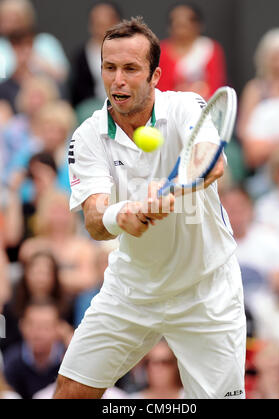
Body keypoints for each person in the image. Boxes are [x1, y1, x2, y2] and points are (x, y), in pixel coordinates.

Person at [53, 17, 246, 399]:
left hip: (206, 290)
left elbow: (213, 160)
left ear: (155, 75)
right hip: (132, 289)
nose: (118, 79)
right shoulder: (87, 134)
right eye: (110, 68)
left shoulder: (187, 106)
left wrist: (173, 185)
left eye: (130, 69)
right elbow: (95, 220)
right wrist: (123, 215)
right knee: (71, 392)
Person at [3, 299, 73, 399]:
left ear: (58, 328)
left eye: (45, 326)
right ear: (22, 326)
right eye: (32, 325)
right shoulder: (10, 361)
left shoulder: (68, 361)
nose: (38, 334)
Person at [157, 3, 227, 99]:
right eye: (177, 22)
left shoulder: (209, 48)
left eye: (187, 21)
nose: (182, 26)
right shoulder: (162, 51)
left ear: (198, 25)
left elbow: (216, 85)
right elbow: (161, 87)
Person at [69, 1, 122, 108]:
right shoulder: (81, 56)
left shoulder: (130, 50)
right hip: (93, 107)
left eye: (107, 22)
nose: (102, 28)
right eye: (98, 23)